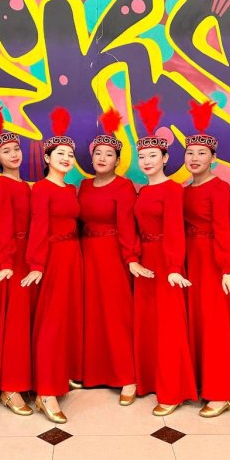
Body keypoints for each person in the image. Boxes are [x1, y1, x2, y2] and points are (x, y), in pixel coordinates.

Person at [79, 108, 150, 405]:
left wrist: (131, 258)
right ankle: (93, 373)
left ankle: (127, 377)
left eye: (109, 154)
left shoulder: (123, 187)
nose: (102, 158)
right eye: (98, 153)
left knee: (117, 315)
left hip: (113, 256)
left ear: (117, 161)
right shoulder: (83, 186)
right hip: (86, 255)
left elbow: (127, 226)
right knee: (91, 313)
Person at [131, 96, 197, 416]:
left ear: (166, 157)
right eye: (142, 157)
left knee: (169, 326)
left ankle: (173, 391)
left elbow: (174, 230)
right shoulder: (142, 191)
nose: (146, 161)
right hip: (145, 263)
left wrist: (173, 266)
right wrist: (134, 259)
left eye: (153, 156)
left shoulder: (173, 189)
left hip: (166, 262)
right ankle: (150, 381)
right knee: (148, 324)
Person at [22, 108, 84, 423]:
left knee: (67, 320)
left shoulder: (70, 189)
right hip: (53, 259)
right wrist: (37, 264)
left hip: (74, 257)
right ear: (47, 158)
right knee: (51, 322)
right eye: (60, 153)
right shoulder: (42, 189)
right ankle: (46, 391)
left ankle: (59, 374)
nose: (66, 158)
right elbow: (38, 227)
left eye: (70, 154)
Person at [182, 99, 230, 418]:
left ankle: (222, 392)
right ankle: (198, 383)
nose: (194, 158)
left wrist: (227, 269)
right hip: (189, 260)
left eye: (201, 153)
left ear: (213, 158)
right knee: (195, 323)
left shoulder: (220, 189)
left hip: (213, 261)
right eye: (190, 153)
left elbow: (224, 230)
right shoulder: (183, 190)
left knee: (216, 325)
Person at [0, 105, 36, 415]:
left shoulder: (27, 186)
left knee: (28, 320)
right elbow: (2, 227)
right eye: (6, 151)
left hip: (30, 258)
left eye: (16, 149)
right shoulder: (2, 186)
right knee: (13, 323)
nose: (13, 154)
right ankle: (10, 387)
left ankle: (27, 378)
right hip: (12, 261)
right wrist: (5, 262)